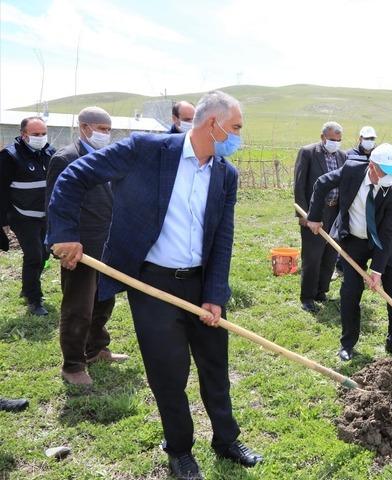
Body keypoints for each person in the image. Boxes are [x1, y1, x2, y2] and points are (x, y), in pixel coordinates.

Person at [48, 91, 262, 479]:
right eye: (235, 128)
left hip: (200, 285)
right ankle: (179, 448)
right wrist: (65, 231)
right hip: (151, 284)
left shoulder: (224, 174)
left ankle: (226, 440)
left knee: (215, 365)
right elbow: (75, 175)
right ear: (212, 124)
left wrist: (215, 294)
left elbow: (223, 238)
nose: (238, 137)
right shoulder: (147, 150)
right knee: (168, 371)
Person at [305, 144, 392, 361]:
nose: (389, 177)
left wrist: (377, 271)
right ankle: (348, 344)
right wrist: (315, 216)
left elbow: (388, 232)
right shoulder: (352, 170)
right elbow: (322, 183)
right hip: (353, 239)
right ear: (372, 166)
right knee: (350, 292)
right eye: (385, 171)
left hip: (382, 242)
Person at [46, 107, 128, 386]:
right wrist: (61, 243)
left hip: (107, 243)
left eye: (108, 130)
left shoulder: (107, 159)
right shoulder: (65, 159)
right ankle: (72, 365)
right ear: (83, 128)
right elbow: (55, 204)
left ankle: (96, 349)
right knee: (78, 306)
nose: (105, 134)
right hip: (79, 246)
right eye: (101, 129)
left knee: (104, 300)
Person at [0, 116, 56, 316]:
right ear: (24, 135)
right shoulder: (9, 156)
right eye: (35, 134)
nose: (40, 138)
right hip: (21, 215)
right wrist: (3, 220)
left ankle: (27, 287)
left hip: (44, 215)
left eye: (43, 134)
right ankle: (34, 299)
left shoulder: (50, 153)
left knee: (45, 254)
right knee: (34, 255)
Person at [294, 122, 347, 313]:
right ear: (323, 137)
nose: (335, 143)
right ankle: (307, 297)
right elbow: (300, 185)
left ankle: (321, 291)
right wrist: (303, 215)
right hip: (314, 213)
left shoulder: (343, 156)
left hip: (335, 212)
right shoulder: (308, 153)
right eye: (332, 139)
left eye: (339, 140)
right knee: (312, 255)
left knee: (330, 254)